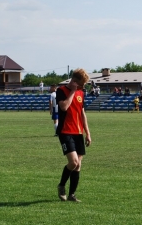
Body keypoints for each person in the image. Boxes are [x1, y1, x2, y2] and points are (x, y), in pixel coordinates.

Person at [56, 68, 91, 202]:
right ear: (74, 82)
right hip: (65, 131)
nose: (83, 87)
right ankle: (61, 185)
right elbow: (64, 107)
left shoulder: (81, 93)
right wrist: (72, 91)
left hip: (78, 132)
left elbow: (82, 114)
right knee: (73, 162)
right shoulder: (61, 91)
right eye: (81, 85)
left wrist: (88, 132)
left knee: (78, 165)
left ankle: (72, 195)